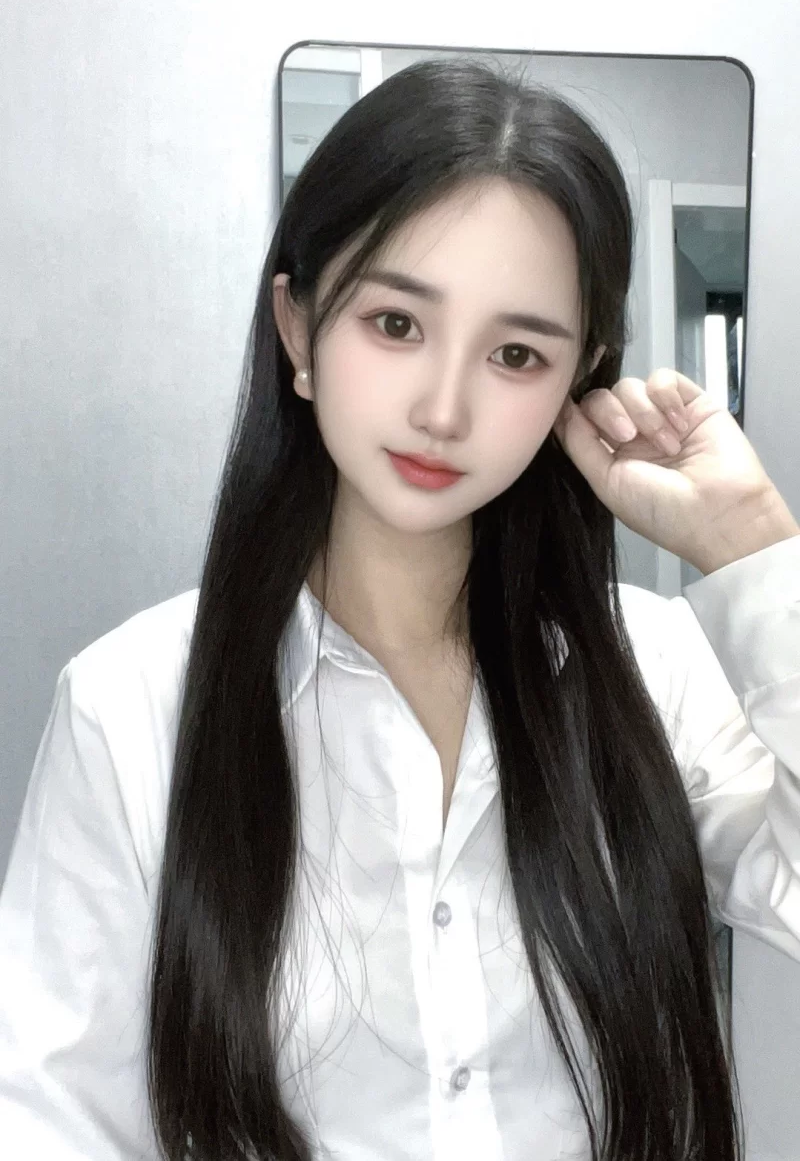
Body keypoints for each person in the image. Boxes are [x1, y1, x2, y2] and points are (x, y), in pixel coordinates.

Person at [1, 57, 799, 1161]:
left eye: (515, 354)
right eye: (394, 323)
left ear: (577, 379)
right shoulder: (132, 705)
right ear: (297, 331)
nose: (443, 407)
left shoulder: (651, 671)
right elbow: (48, 1120)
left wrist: (751, 544)